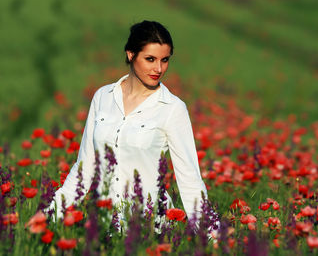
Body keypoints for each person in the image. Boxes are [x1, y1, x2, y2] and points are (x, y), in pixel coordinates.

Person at [48, 20, 208, 222]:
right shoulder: (103, 97)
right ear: (130, 54)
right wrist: (49, 217)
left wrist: (212, 241)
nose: (158, 68)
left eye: (165, 60)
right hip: (103, 225)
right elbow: (84, 168)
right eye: (150, 59)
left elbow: (190, 179)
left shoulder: (172, 109)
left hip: (148, 228)